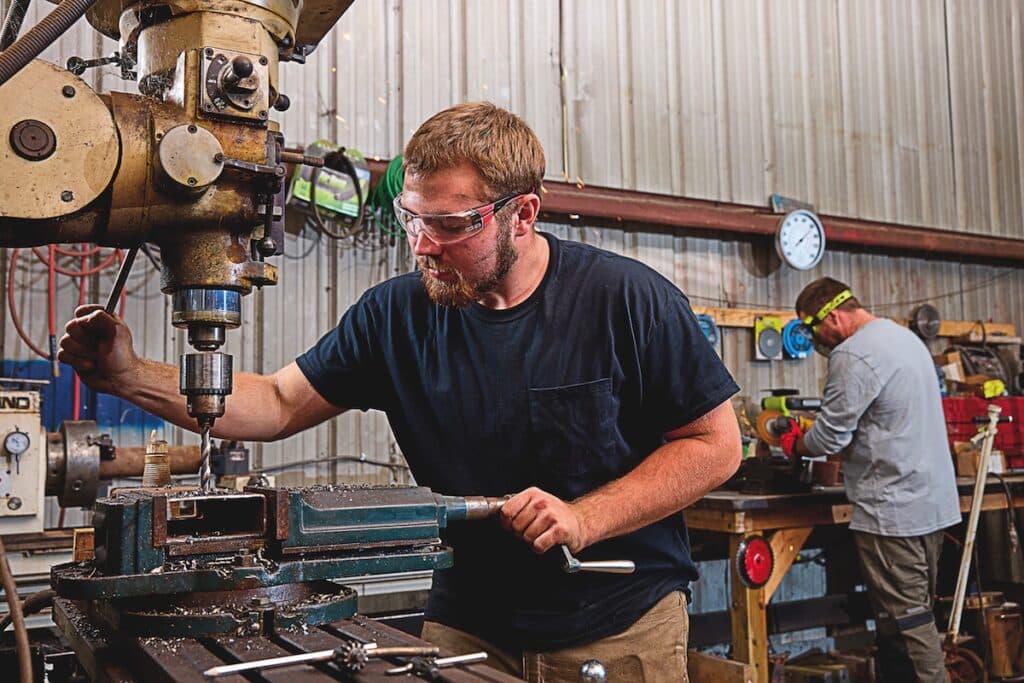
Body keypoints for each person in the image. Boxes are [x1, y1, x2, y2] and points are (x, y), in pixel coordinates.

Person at [58, 102, 741, 682]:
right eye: (411, 218)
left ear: (523, 214)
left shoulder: (627, 301)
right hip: (467, 626)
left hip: (618, 628)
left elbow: (715, 446)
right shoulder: (396, 315)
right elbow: (277, 403)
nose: (423, 245)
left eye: (451, 224)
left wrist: (586, 517)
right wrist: (127, 373)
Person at [782, 277, 960, 683]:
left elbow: (830, 438)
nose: (814, 340)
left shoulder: (853, 354)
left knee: (909, 622)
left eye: (811, 328)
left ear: (832, 317)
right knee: (903, 622)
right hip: (931, 505)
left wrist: (796, 443)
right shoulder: (905, 340)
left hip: (893, 512)